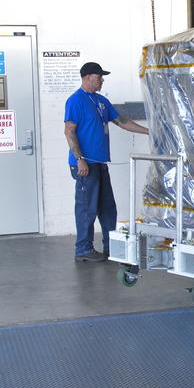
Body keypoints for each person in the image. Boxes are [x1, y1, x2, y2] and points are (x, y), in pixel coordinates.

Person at [64, 61, 149, 262]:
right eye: (98, 76)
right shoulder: (75, 101)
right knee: (87, 208)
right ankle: (83, 249)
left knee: (107, 207)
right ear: (86, 77)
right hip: (85, 163)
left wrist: (149, 132)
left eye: (102, 76)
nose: (102, 79)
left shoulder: (101, 101)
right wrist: (79, 159)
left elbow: (122, 121)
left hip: (100, 162)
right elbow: (69, 130)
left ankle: (112, 247)